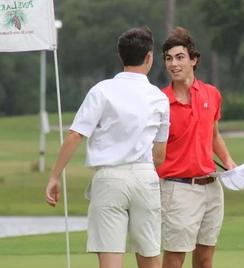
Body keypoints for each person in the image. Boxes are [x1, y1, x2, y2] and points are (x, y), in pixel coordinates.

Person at [45, 26, 170, 268]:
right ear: (149, 57)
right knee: (150, 259)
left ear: (121, 56)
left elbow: (74, 136)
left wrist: (54, 176)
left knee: (111, 261)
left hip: (109, 178)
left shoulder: (102, 91)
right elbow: (160, 155)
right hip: (146, 177)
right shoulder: (159, 97)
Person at [157, 27, 236, 268]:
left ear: (194, 60)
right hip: (177, 189)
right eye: (169, 59)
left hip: (212, 188)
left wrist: (230, 163)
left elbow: (214, 136)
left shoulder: (212, 94)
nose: (174, 64)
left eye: (180, 57)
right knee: (175, 258)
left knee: (204, 259)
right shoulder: (159, 101)